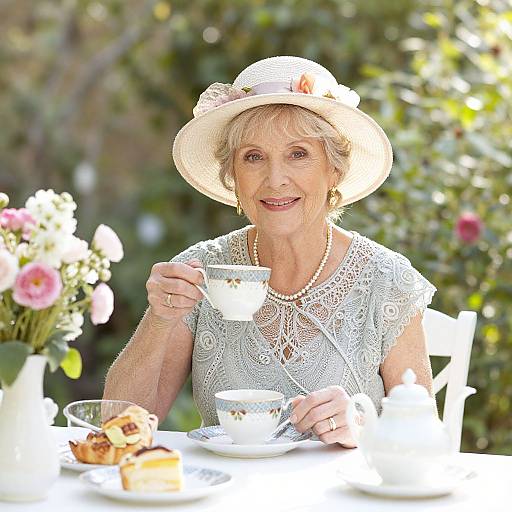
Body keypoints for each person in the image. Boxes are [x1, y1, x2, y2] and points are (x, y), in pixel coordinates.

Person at [104, 56, 437, 447]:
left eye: (298, 154)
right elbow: (116, 428)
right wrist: (159, 319)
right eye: (253, 157)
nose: (275, 179)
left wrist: (362, 427)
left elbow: (424, 439)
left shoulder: (387, 280)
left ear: (334, 171)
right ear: (233, 178)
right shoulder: (202, 270)